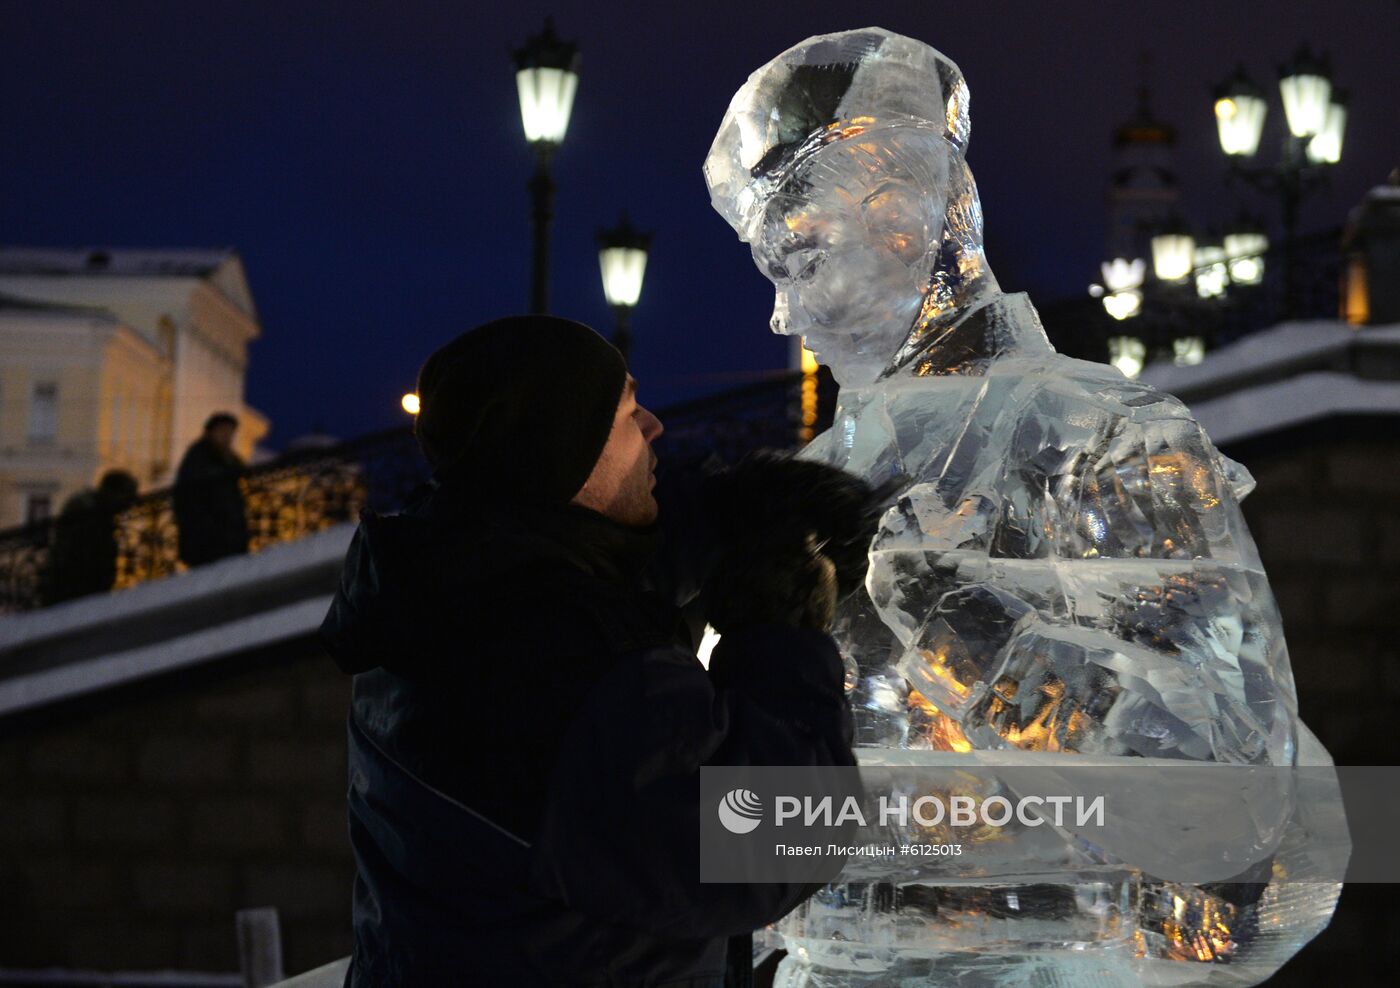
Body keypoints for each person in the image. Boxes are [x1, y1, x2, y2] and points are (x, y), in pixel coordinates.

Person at [320, 315, 883, 987]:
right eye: (626, 412)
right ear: (563, 450)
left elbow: (616, 569)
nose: (654, 427)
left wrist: (740, 511)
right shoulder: (560, 672)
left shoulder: (446, 584)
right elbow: (784, 836)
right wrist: (781, 635)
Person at [45, 468, 139, 604]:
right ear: (112, 492)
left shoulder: (94, 509)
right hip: (75, 585)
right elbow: (77, 550)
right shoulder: (87, 510)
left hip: (81, 585)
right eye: (128, 497)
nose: (129, 505)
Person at [172, 412, 249, 566]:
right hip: (205, 534)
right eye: (222, 432)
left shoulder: (231, 460)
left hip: (228, 533)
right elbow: (190, 490)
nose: (227, 437)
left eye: (230, 433)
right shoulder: (198, 455)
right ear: (210, 433)